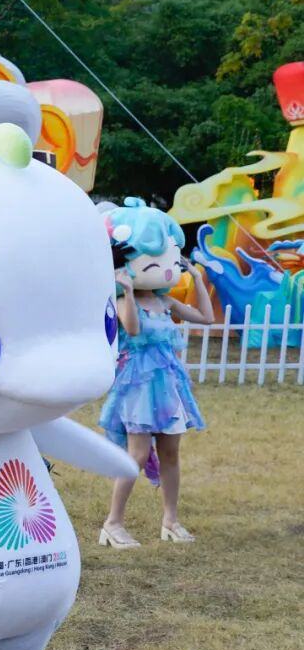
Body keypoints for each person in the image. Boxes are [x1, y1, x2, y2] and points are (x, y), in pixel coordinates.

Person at [99, 198, 214, 548]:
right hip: (137, 387)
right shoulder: (123, 302)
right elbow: (132, 330)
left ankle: (171, 520)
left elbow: (206, 318)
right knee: (135, 455)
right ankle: (112, 523)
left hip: (168, 387)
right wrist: (127, 290)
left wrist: (196, 277)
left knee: (171, 453)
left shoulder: (165, 302)